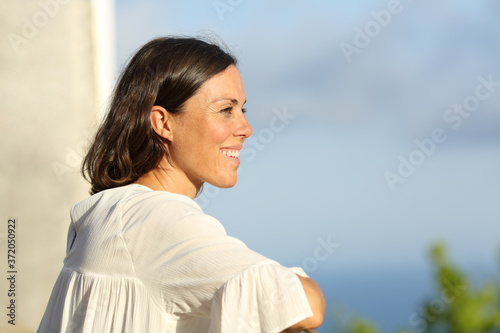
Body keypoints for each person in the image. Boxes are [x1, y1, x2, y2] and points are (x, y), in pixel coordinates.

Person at [37, 36, 325, 333]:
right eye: (226, 110)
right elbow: (304, 306)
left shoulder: (109, 213)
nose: (246, 128)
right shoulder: (154, 219)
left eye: (243, 110)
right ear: (163, 123)